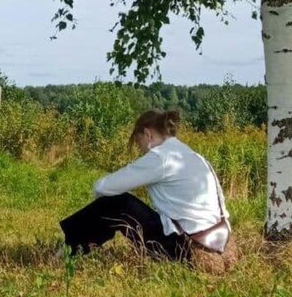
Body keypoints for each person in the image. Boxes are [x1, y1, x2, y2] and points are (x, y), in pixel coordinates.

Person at [58, 110, 238, 273]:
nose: (141, 149)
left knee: (116, 203)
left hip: (185, 248)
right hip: (218, 244)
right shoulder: (194, 156)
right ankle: (78, 243)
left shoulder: (160, 157)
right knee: (117, 204)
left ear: (147, 134)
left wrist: (100, 210)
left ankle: (69, 250)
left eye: (139, 142)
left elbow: (103, 186)